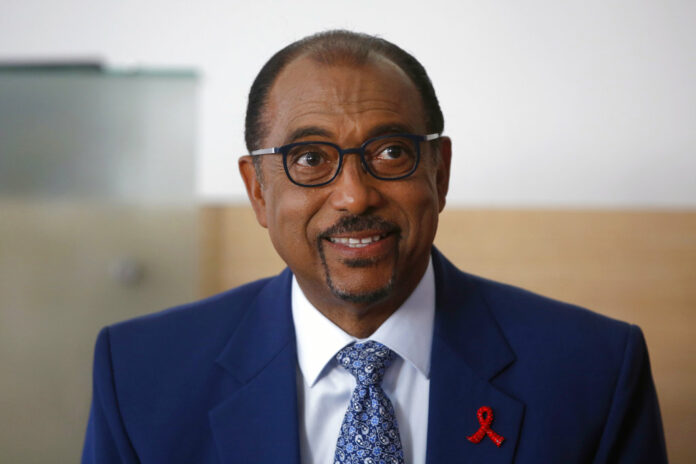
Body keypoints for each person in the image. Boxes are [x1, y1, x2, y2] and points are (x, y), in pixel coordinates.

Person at [82, 30, 667, 464]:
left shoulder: (594, 372)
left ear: (438, 173)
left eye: (390, 153)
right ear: (258, 191)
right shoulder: (139, 375)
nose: (354, 196)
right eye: (309, 159)